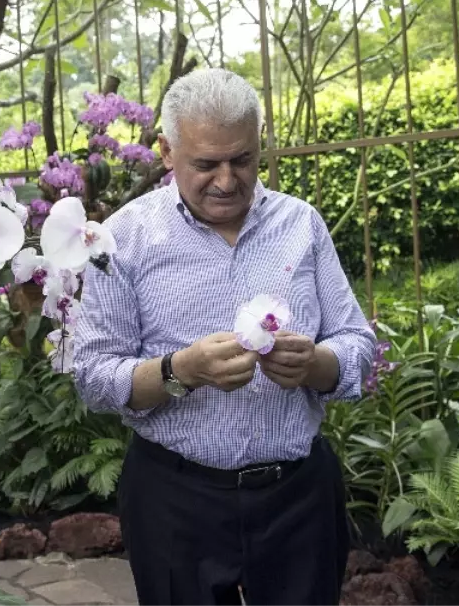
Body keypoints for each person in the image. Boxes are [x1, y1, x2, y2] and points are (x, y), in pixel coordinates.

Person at [71, 67, 375, 606]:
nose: (228, 180)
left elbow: (356, 342)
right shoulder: (123, 239)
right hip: (175, 497)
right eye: (206, 164)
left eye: (244, 160)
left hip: (297, 495)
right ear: (167, 151)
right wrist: (178, 371)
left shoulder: (299, 225)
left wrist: (316, 365)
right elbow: (93, 375)